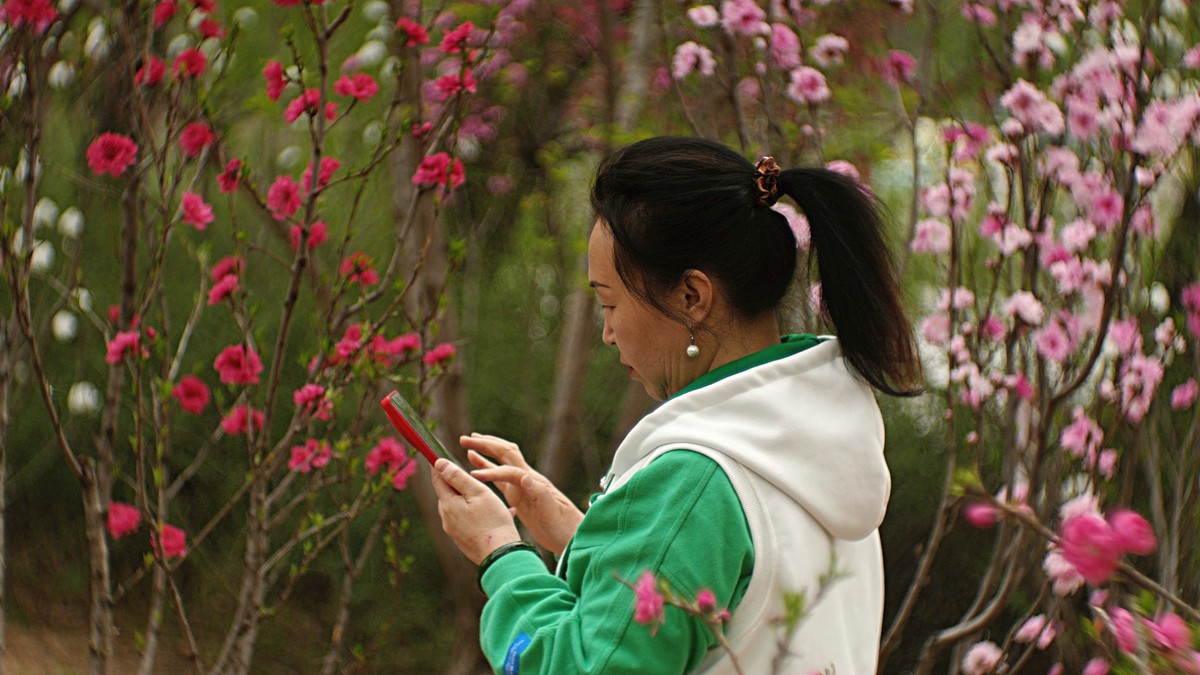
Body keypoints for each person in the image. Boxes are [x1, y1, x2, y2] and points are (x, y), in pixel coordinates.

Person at [430, 136, 923, 674]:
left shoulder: (694, 478)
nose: (607, 334)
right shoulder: (820, 443)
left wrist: (502, 554)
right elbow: (739, 606)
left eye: (609, 303)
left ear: (692, 297)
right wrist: (586, 536)